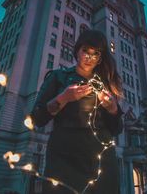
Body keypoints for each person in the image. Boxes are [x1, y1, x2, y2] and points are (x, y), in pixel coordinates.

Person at [30, 30, 124, 194]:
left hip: (101, 160)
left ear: (100, 58)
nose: (89, 58)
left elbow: (117, 129)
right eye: (85, 51)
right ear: (77, 51)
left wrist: (113, 109)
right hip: (64, 158)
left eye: (95, 54)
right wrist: (63, 98)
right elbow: (37, 118)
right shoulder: (58, 77)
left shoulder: (106, 85)